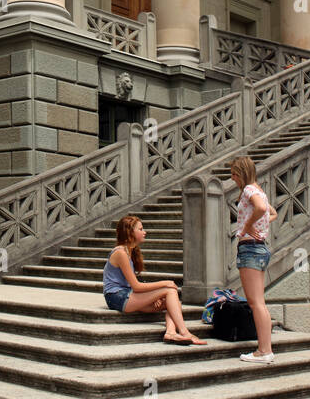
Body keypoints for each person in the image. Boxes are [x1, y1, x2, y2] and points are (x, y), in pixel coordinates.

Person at [102, 214, 207, 345]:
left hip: (126, 295)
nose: (144, 232)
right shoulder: (120, 253)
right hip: (116, 297)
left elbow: (133, 286)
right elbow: (136, 286)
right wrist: (165, 283)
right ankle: (185, 332)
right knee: (169, 290)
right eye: (140, 229)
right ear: (130, 232)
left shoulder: (129, 252)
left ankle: (170, 332)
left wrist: (155, 296)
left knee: (173, 302)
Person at [229, 156, 277, 363]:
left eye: (233, 174)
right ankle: (266, 349)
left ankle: (264, 351)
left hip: (250, 248)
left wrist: (247, 227)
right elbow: (271, 212)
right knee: (259, 302)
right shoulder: (260, 190)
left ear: (241, 173)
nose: (232, 179)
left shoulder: (249, 190)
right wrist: (259, 226)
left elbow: (262, 209)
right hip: (260, 248)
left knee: (255, 302)